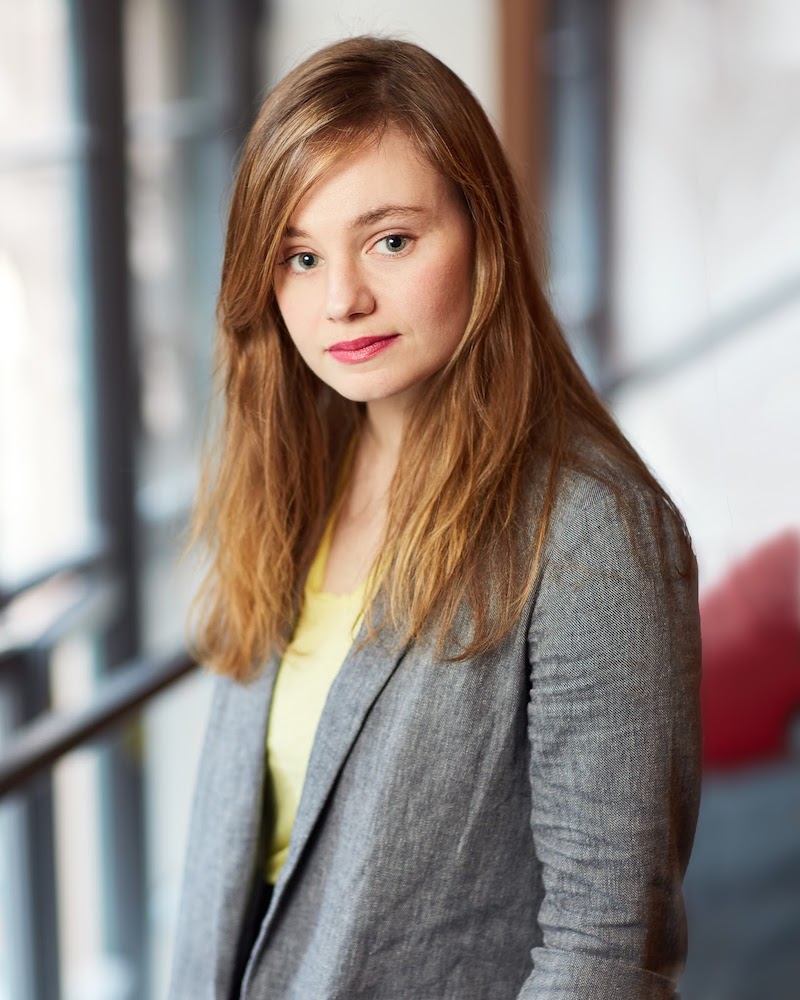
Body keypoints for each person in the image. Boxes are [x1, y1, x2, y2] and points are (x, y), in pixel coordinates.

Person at [169, 36, 701, 1000]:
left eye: (391, 240)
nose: (342, 300)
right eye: (299, 255)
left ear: (482, 231)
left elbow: (606, 949)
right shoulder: (296, 478)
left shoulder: (595, 532)